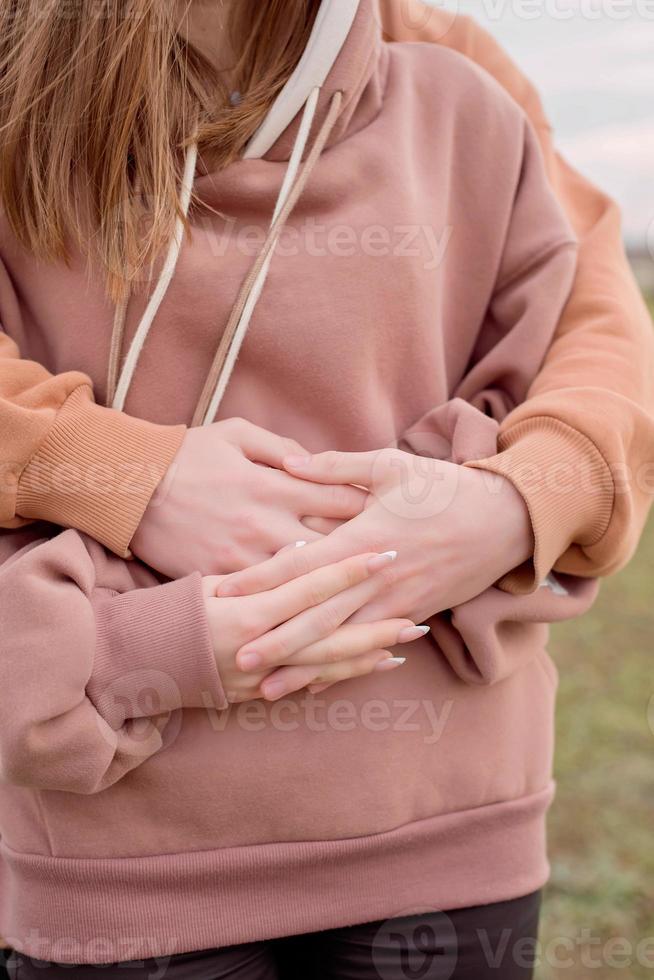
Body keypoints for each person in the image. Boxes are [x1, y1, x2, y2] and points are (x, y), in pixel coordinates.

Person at [0, 1, 652, 978]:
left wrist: (514, 502)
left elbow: (597, 338)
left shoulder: (451, 72)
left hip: (448, 822)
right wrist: (127, 470)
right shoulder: (27, 73)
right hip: (118, 843)